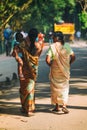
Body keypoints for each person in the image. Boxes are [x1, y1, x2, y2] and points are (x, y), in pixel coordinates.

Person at [12, 28, 43, 116]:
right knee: (30, 89)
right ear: (36, 36)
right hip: (33, 69)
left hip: (23, 69)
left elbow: (14, 53)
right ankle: (29, 109)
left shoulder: (22, 43)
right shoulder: (38, 45)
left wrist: (19, 59)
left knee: (23, 89)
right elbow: (37, 57)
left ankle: (25, 108)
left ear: (28, 35)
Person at [46, 31, 75, 114]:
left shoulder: (52, 47)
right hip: (65, 70)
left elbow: (47, 60)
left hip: (55, 71)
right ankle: (64, 105)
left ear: (56, 38)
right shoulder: (67, 46)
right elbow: (73, 57)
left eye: (53, 37)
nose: (52, 38)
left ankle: (57, 106)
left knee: (55, 88)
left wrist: (52, 66)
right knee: (64, 88)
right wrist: (67, 64)